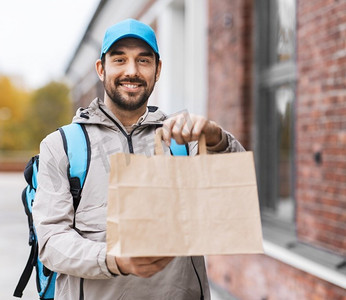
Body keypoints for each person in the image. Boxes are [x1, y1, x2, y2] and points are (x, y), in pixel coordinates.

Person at [32, 18, 245, 300]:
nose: (131, 71)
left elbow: (237, 195)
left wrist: (217, 139)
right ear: (101, 68)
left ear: (158, 70)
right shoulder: (62, 145)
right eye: (119, 59)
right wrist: (115, 260)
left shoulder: (185, 139)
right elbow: (51, 243)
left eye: (143, 61)